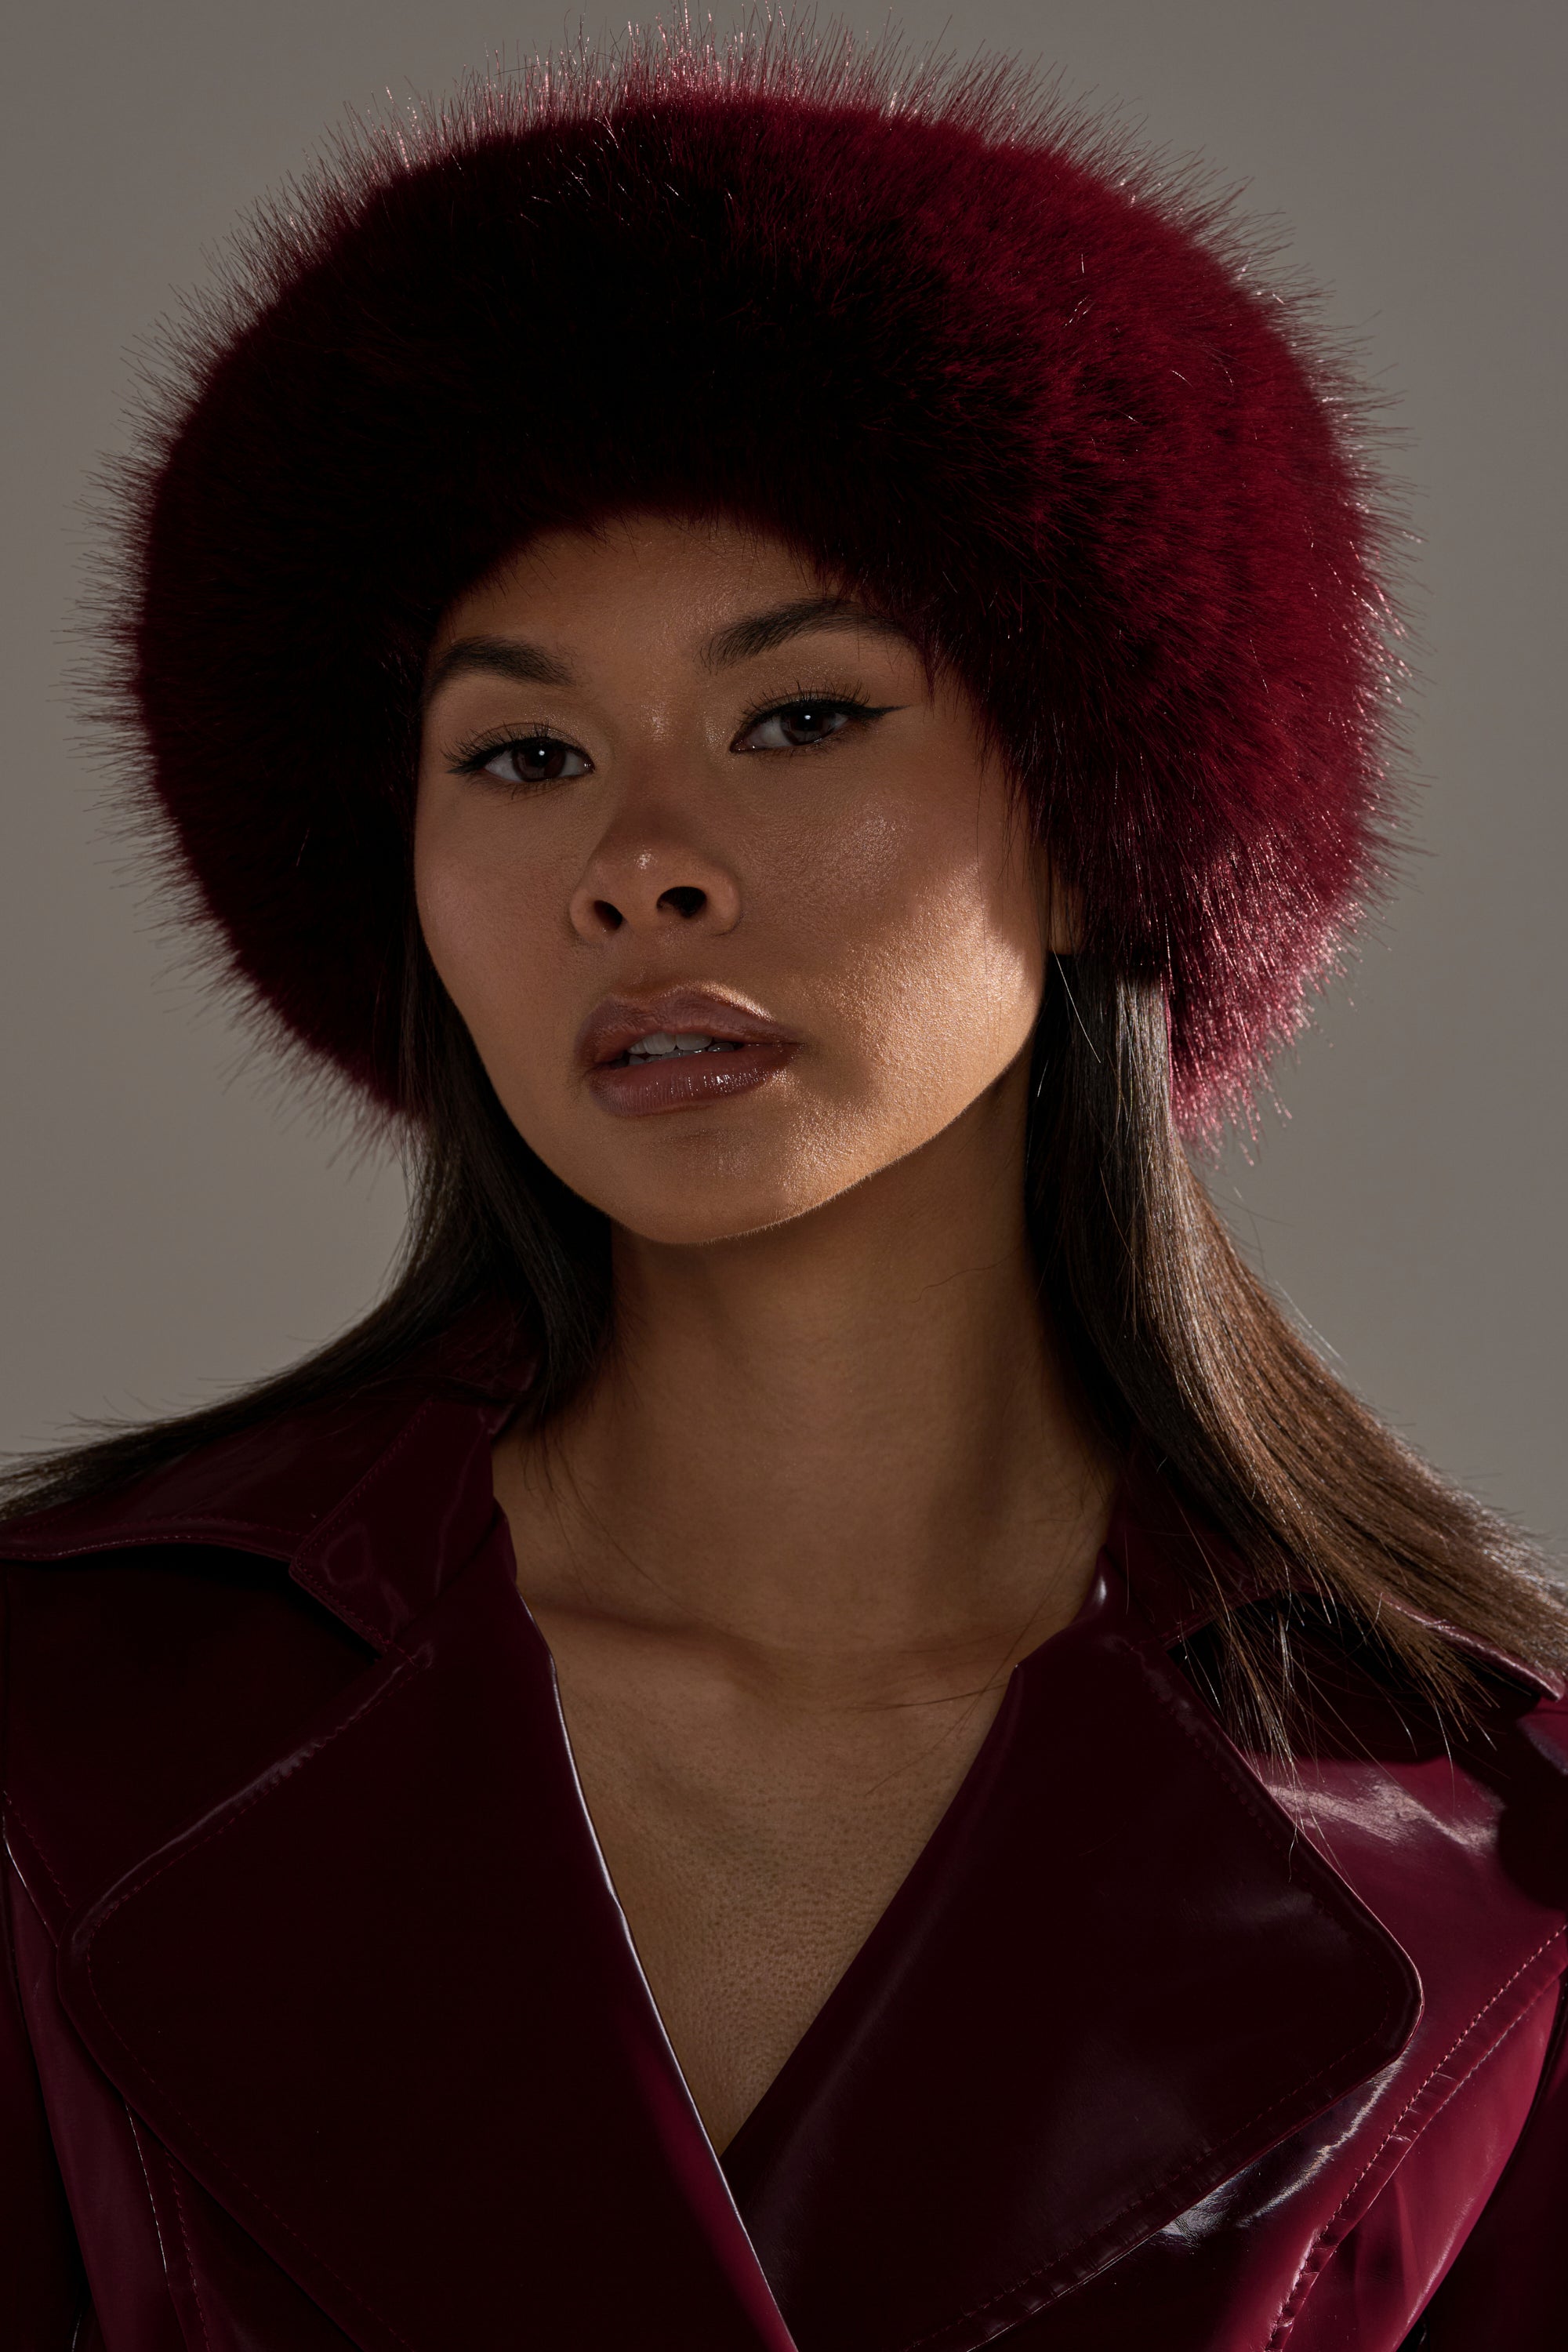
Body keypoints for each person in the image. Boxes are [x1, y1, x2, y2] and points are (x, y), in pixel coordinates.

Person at [2, 26, 1564, 2351]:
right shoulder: (72, 1720)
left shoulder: (1494, 1841)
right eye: (523, 753)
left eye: (801, 717)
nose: (638, 866)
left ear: (1097, 812)